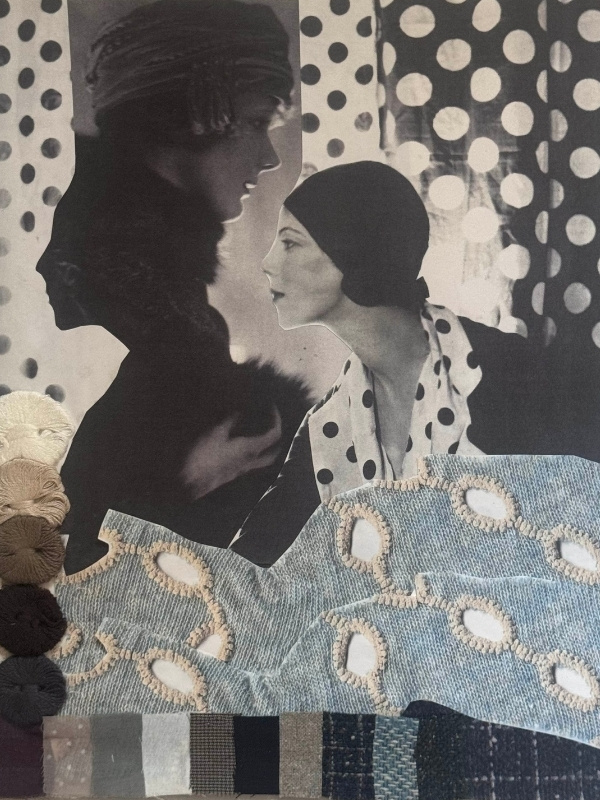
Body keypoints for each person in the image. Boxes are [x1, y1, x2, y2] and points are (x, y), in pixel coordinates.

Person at [36, 0, 312, 574]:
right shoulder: (96, 290)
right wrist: (183, 484)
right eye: (256, 122)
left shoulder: (148, 283)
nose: (268, 157)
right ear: (195, 114)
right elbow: (57, 536)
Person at [231, 161, 551, 567]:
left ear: (353, 250)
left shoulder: (510, 372)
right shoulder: (328, 427)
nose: (268, 263)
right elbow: (252, 562)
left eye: (291, 244)